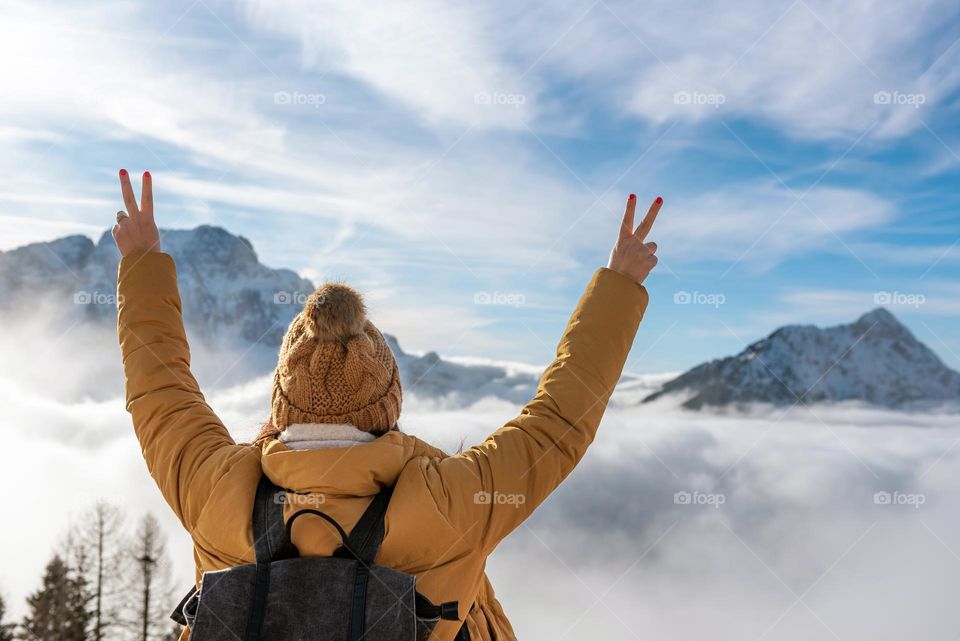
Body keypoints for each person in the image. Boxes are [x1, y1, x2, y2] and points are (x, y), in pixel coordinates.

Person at [113, 168, 660, 641]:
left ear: (282, 403)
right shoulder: (453, 504)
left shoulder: (216, 491)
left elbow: (159, 391)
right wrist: (619, 283)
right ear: (387, 403)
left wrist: (141, 263)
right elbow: (559, 418)